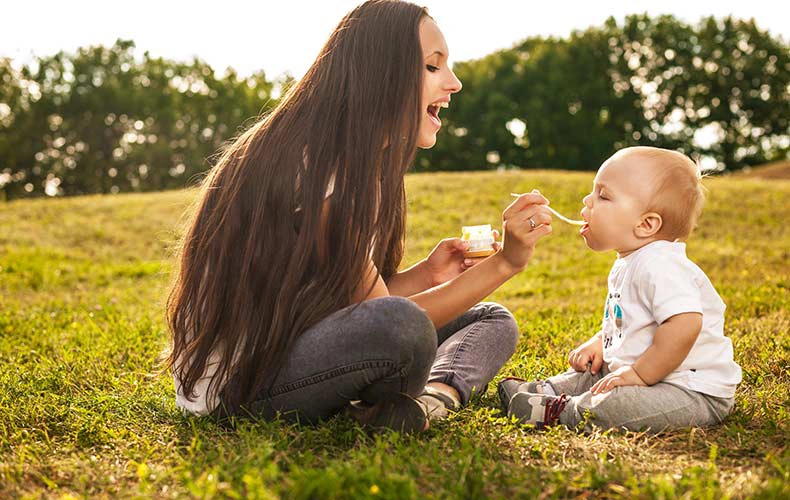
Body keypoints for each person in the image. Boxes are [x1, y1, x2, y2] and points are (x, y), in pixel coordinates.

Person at [166, 0, 553, 433]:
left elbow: (351, 301)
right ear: (381, 74)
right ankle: (393, 403)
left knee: (490, 318)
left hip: (296, 349)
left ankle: (434, 400)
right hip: (239, 388)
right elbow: (387, 322)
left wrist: (428, 274)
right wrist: (506, 263)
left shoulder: (355, 164)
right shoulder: (315, 169)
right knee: (402, 327)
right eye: (432, 67)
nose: (454, 83)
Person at [498, 146, 741, 432]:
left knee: (614, 404)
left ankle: (563, 411)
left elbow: (686, 324)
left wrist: (640, 373)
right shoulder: (631, 259)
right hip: (643, 374)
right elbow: (631, 320)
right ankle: (548, 390)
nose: (587, 200)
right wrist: (601, 342)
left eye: (603, 195)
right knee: (594, 373)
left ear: (646, 224)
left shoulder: (661, 264)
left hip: (688, 391)